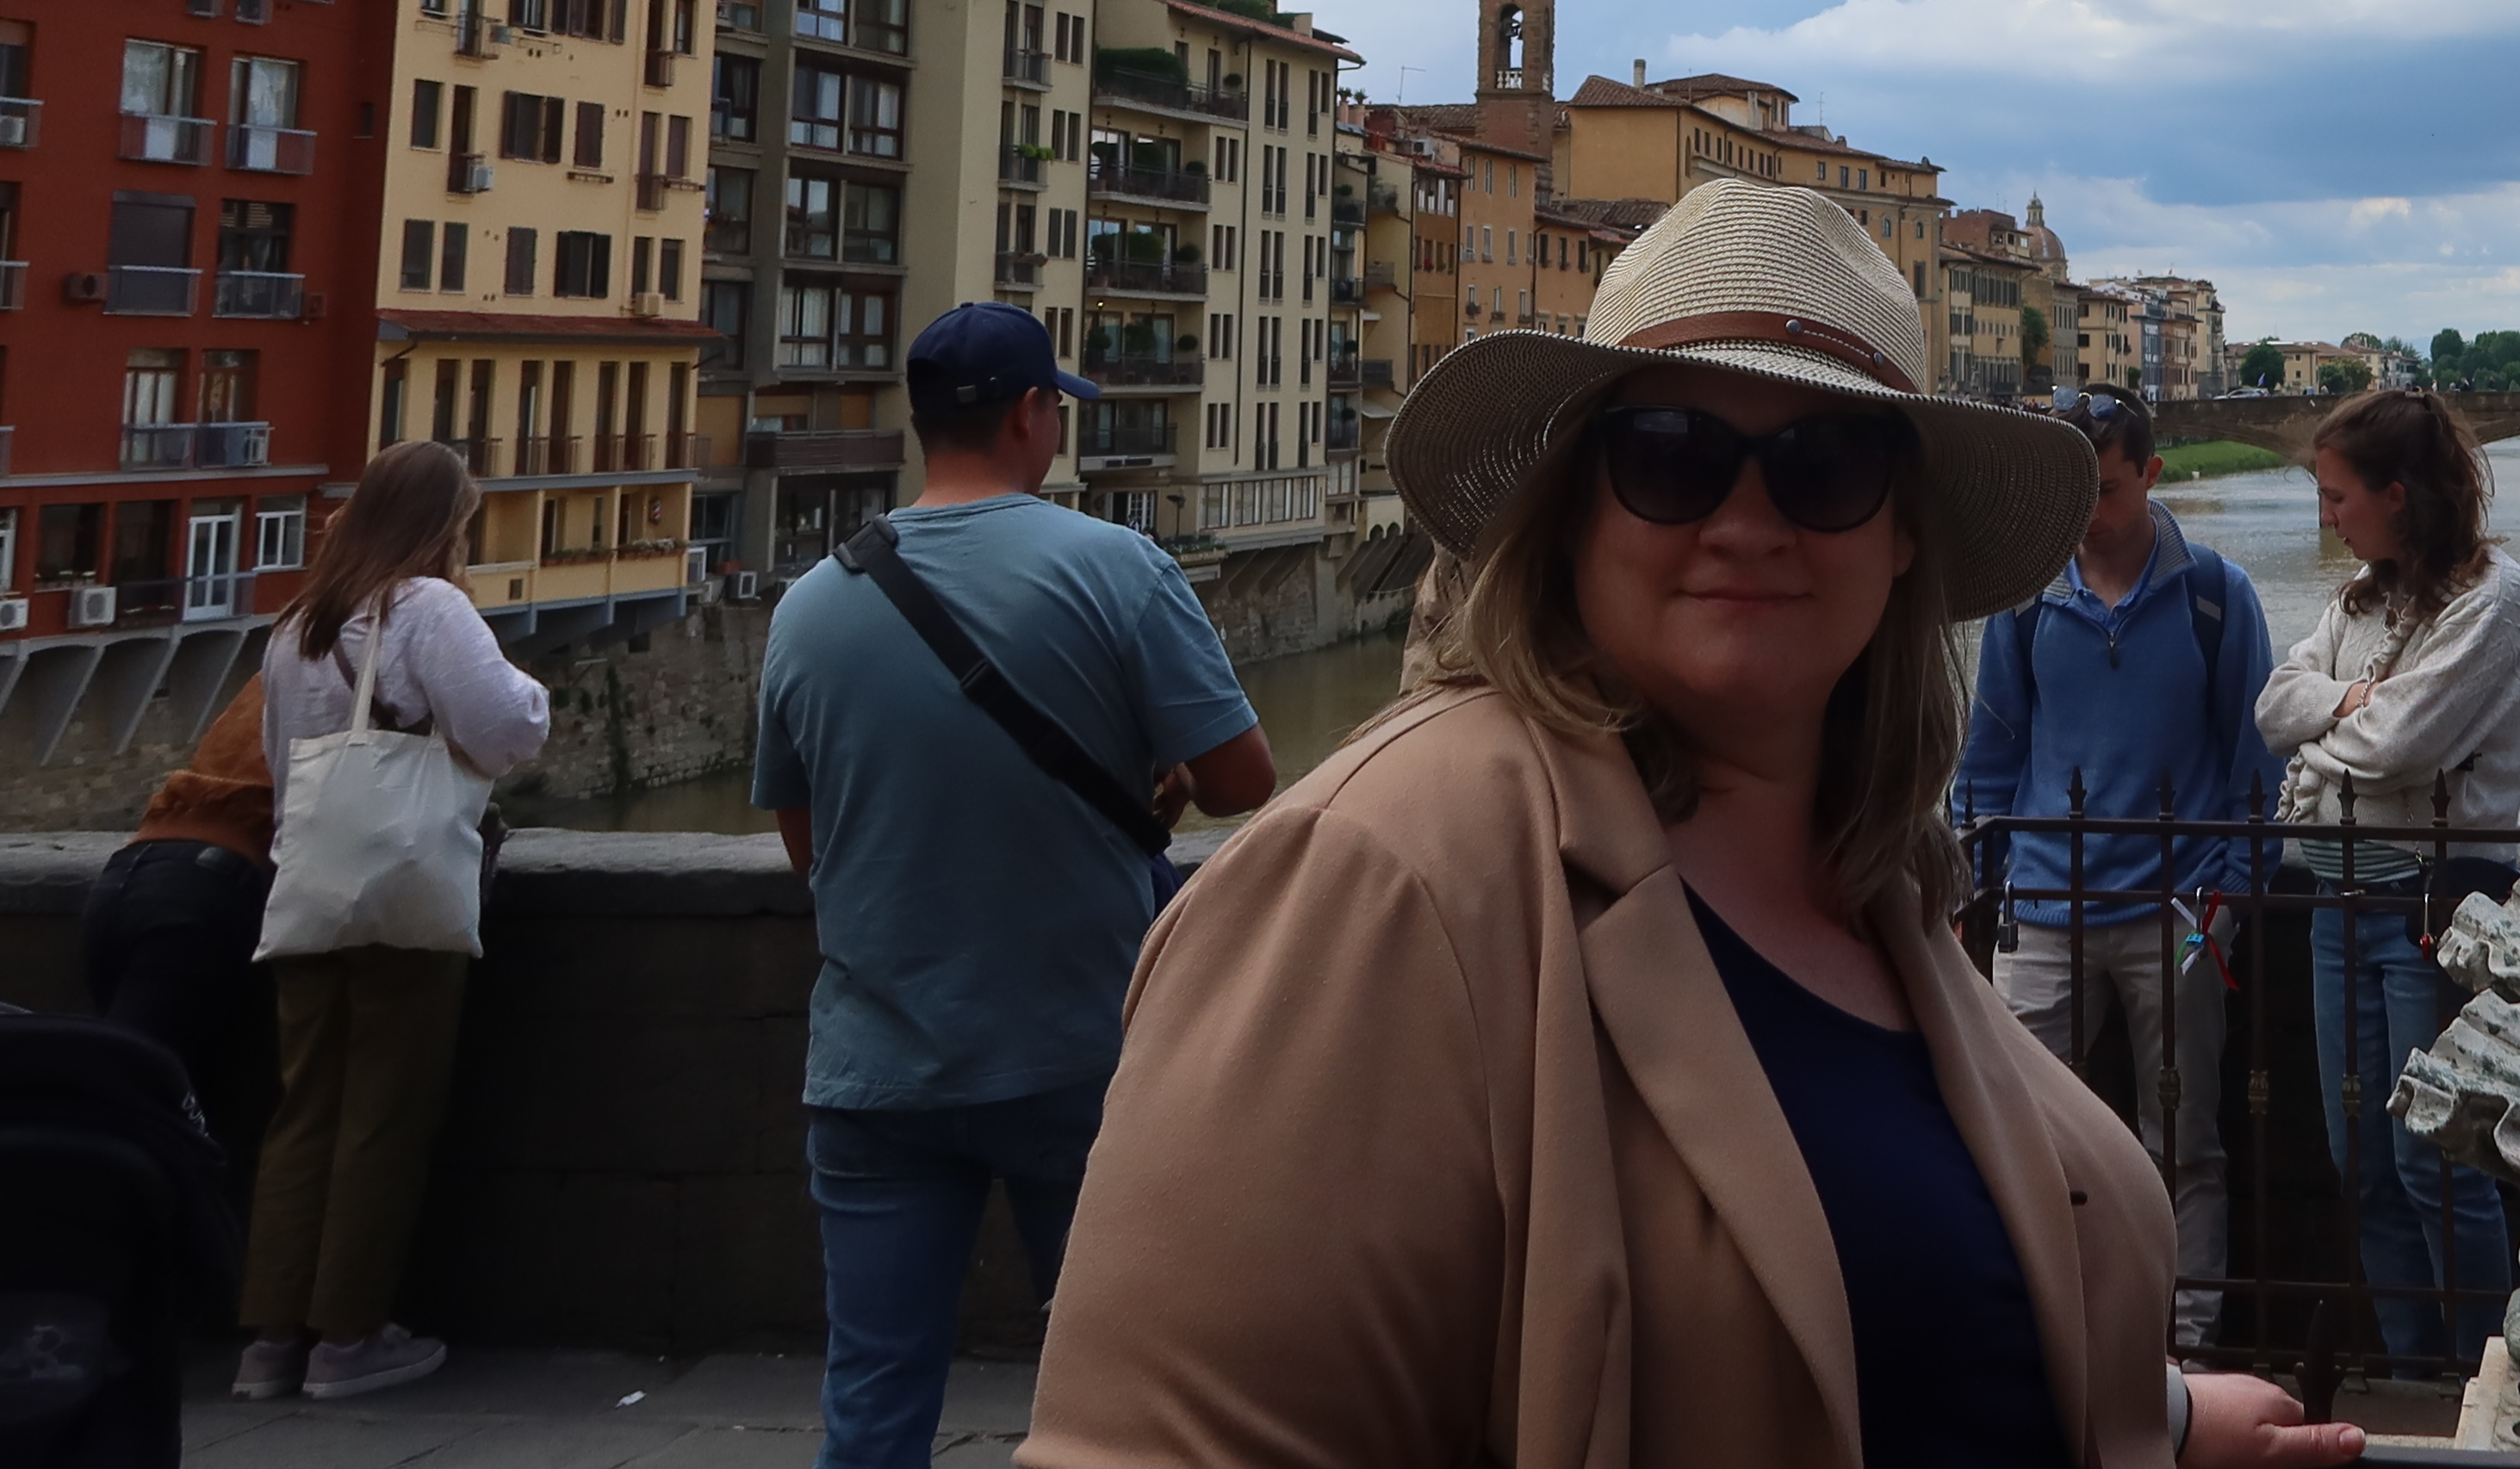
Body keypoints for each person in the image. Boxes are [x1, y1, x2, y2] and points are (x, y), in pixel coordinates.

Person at [1023, 177, 2356, 1469]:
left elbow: (1891, 1316)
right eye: (1671, 456)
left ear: (1900, 530)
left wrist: (2154, 1419)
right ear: (1575, 503)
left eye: (1824, 463)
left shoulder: (1873, 872)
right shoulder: (1375, 877)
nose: (1747, 522)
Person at [753, 301, 1274, 1469]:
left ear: (924, 422)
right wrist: (1155, 791)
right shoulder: (1118, 565)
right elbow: (1248, 778)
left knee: (875, 1399)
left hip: (874, 1070)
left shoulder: (808, 605)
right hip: (1077, 1057)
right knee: (1123, 1394)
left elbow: (809, 849)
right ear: (1036, 417)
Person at [1958, 384, 2280, 1348]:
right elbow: (1990, 758)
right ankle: (2045, 1332)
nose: (2085, 512)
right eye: (2068, 491)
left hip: (2173, 920)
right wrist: (1988, 884)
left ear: (2151, 475)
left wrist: (2222, 903)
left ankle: (2185, 1340)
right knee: (2023, 1140)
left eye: (2103, 490)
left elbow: (2251, 763)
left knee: (2182, 1146)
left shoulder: (2217, 596)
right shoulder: (2022, 600)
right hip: (2043, 911)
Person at [240, 438, 551, 1404]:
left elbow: (274, 752)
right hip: (401, 889)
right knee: (383, 1114)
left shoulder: (294, 624)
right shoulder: (430, 608)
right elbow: (503, 732)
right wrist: (536, 693)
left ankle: (267, 1345)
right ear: (439, 523)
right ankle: (348, 1338)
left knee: (303, 1113)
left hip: (306, 885)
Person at [2257, 388, 2520, 1376]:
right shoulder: (2354, 602)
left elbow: (2402, 743)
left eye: (2339, 497)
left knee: (2436, 1159)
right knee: (2359, 1162)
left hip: (2430, 905)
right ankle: (2416, 1368)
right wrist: (2346, 705)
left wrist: (2330, 742)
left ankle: (2482, 1372)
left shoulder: (2494, 599)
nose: (2327, 517)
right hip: (2338, 905)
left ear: (2399, 494)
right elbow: (2273, 702)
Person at [83, 672, 280, 1173]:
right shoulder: (393, 648)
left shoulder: (288, 653)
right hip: (205, 896)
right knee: (137, 1117)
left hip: (130, 874)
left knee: (129, 1101)